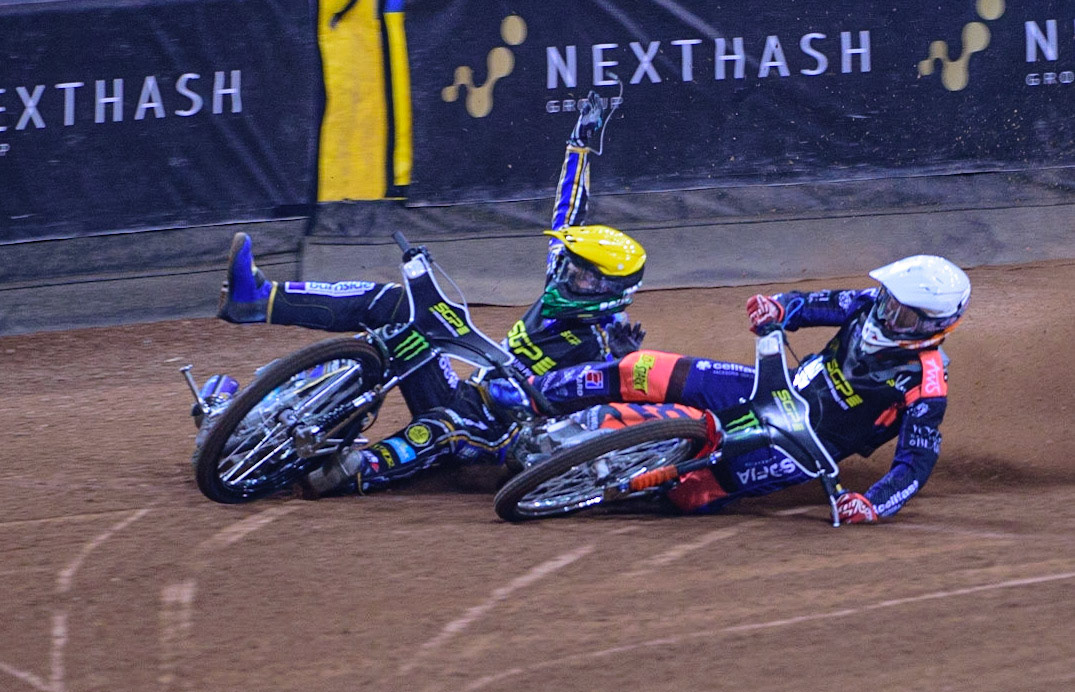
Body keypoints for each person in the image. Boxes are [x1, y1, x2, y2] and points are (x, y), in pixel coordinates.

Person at [212, 90, 648, 497]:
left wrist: (617, 366)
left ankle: (349, 471)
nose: (568, 276)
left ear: (610, 293)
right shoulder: (563, 280)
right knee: (395, 315)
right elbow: (570, 208)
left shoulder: (603, 348)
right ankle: (259, 327)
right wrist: (579, 145)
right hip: (465, 388)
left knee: (445, 426)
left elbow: (593, 420)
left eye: (583, 277)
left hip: (499, 433)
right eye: (572, 268)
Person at [494, 255, 970, 523]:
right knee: (644, 368)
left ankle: (591, 484)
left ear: (935, 324)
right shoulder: (868, 304)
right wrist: (775, 309)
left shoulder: (926, 385)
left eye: (902, 313)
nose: (886, 313)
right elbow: (808, 306)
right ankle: (533, 391)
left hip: (803, 447)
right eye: (889, 300)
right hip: (775, 386)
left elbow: (915, 464)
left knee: (689, 494)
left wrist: (873, 503)